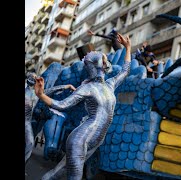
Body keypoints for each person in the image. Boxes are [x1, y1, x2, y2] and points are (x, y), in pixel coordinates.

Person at [35, 33, 131, 180]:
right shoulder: (87, 88)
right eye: (104, 59)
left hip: (95, 140)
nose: (107, 62)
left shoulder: (110, 84)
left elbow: (125, 71)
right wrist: (41, 95)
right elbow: (62, 105)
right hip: (80, 139)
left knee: (59, 172)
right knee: (74, 176)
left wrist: (128, 47)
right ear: (99, 65)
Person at [25, 73, 76, 164]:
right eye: (32, 77)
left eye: (35, 77)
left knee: (30, 143)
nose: (34, 78)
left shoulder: (37, 93)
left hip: (27, 122)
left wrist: (67, 86)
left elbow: (53, 89)